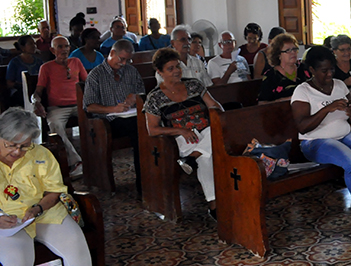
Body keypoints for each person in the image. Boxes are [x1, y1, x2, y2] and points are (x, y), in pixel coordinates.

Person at [0, 108, 110, 266]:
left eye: (24, 146)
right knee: (16, 258)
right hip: (7, 223)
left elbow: (54, 191)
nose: (17, 152)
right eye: (11, 145)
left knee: (74, 241)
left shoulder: (40, 154)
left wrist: (38, 208)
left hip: (43, 212)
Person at [291, 46, 351, 231]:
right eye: (324, 70)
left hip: (344, 135)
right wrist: (327, 108)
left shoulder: (340, 85)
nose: (329, 74)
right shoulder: (302, 91)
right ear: (311, 70)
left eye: (332, 69)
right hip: (315, 142)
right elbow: (303, 126)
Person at [144, 48, 223, 219]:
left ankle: (192, 159)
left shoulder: (194, 84)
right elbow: (152, 129)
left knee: (212, 133)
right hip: (183, 139)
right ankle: (214, 204)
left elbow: (214, 105)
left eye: (177, 66)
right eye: (170, 68)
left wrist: (217, 113)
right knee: (206, 157)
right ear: (159, 72)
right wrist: (180, 130)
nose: (176, 71)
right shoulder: (154, 98)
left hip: (206, 131)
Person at [83, 39, 145, 195]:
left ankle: (151, 177)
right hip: (107, 121)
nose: (124, 63)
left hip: (130, 116)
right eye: (121, 59)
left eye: (127, 60)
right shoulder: (96, 75)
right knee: (138, 129)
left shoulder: (131, 71)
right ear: (112, 53)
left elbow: (142, 92)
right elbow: (89, 106)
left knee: (147, 124)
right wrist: (113, 109)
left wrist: (134, 97)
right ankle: (142, 185)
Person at [32, 36, 88, 178]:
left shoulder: (76, 62)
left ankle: (96, 159)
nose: (64, 50)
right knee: (55, 125)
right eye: (60, 47)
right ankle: (76, 162)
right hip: (57, 108)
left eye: (66, 46)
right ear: (52, 50)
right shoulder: (46, 67)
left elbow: (87, 83)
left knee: (97, 119)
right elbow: (38, 91)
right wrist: (36, 102)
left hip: (79, 105)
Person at [258, 33, 310, 103]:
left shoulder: (304, 68)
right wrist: (282, 101)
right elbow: (262, 103)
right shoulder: (271, 75)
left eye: (294, 49)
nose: (293, 53)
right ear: (279, 55)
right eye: (288, 50)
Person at [6, 36, 44, 109]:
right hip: (20, 92)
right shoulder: (14, 62)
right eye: (30, 44)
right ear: (22, 47)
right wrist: (23, 85)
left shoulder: (39, 62)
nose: (34, 46)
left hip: (36, 90)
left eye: (35, 44)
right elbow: (9, 83)